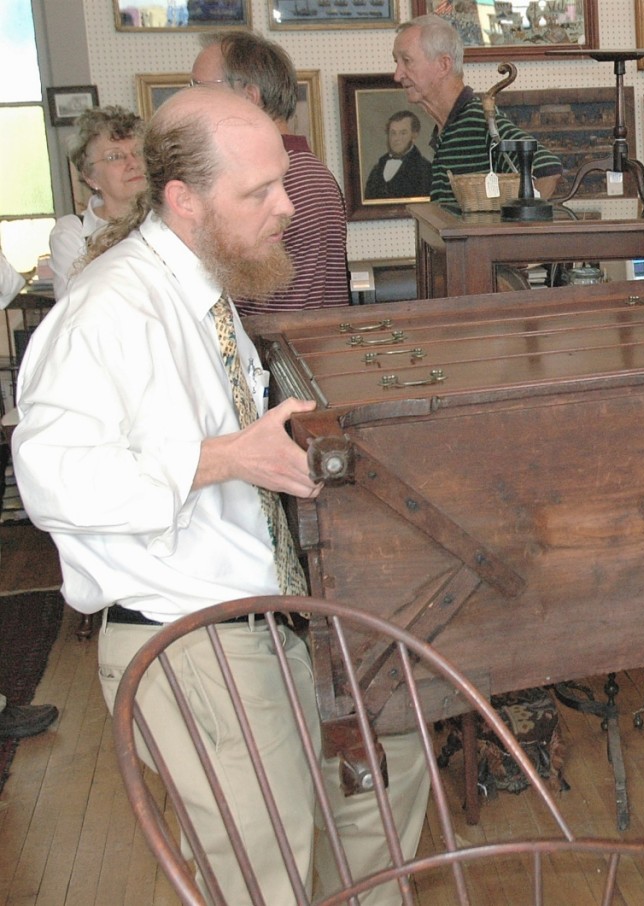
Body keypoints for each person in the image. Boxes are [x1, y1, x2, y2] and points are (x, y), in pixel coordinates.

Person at [13, 87, 428, 905]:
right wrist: (224, 458)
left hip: (270, 613)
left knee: (387, 775)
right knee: (260, 878)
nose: (288, 210)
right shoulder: (110, 307)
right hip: (188, 631)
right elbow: (50, 478)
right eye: (259, 193)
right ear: (184, 200)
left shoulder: (204, 292)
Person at [191, 30, 350, 314]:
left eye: (201, 87)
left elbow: (237, 307)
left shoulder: (274, 182)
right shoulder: (309, 170)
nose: (192, 101)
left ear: (250, 97)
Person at [392, 14, 562, 209]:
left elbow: (547, 169)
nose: (398, 74)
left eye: (407, 61)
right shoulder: (450, 128)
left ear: (443, 65)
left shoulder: (476, 120)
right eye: (397, 62)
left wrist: (510, 231)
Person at [49, 105, 146, 298]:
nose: (133, 163)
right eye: (115, 156)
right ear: (90, 176)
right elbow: (77, 304)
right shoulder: (73, 232)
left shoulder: (171, 220)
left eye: (139, 152)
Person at [364, 109, 433, 200]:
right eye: (393, 133)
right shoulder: (377, 169)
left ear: (414, 136)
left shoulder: (425, 170)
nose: (397, 139)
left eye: (403, 133)